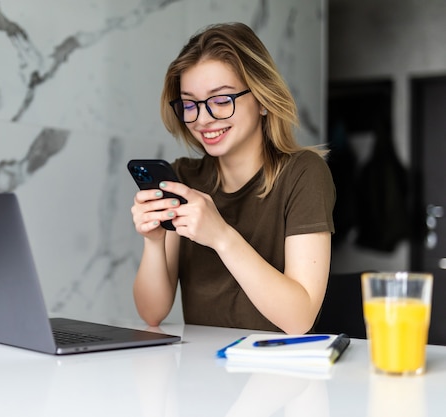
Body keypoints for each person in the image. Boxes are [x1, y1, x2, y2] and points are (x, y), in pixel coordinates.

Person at [130, 22, 335, 334]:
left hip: (278, 373)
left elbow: (300, 319)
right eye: (189, 104)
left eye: (222, 100)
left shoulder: (303, 173)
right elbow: (152, 313)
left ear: (263, 100)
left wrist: (221, 237)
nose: (202, 118)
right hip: (200, 373)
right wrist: (154, 244)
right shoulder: (184, 178)